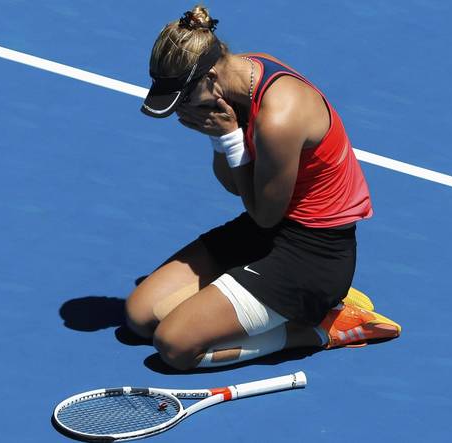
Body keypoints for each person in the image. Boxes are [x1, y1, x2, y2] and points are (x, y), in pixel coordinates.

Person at [126, 5, 400, 371]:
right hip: (267, 231)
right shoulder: (240, 74)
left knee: (174, 346)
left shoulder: (280, 117)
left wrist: (230, 138)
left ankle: (324, 327)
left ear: (209, 77)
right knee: (140, 316)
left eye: (182, 98)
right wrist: (221, 139)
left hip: (313, 257)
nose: (180, 111)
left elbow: (266, 214)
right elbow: (232, 186)